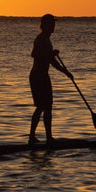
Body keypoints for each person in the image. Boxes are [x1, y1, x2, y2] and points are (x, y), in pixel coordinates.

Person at [29, 13, 69, 144]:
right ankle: (33, 137)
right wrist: (51, 54)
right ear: (45, 25)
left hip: (43, 76)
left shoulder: (46, 39)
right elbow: (36, 55)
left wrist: (65, 72)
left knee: (47, 107)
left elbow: (51, 60)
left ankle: (48, 137)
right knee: (41, 106)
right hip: (38, 76)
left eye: (54, 24)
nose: (53, 26)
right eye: (51, 24)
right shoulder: (41, 39)